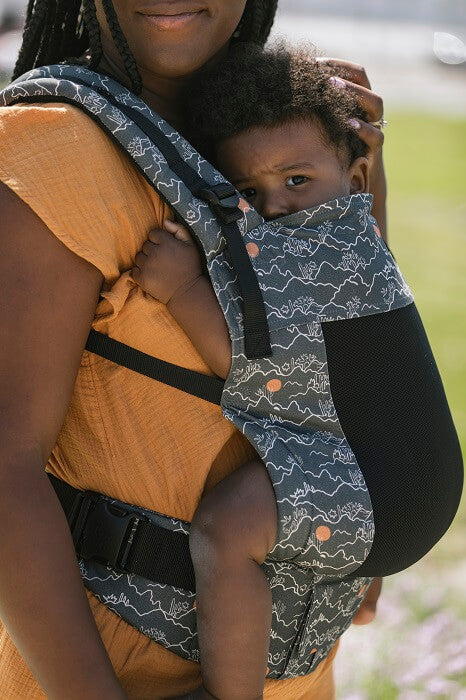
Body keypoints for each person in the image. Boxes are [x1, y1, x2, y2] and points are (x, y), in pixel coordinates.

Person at [0, 1, 403, 698]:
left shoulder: (274, 134)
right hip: (121, 670)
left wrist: (352, 169)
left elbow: (351, 356)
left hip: (296, 667)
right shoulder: (53, 147)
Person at [130, 42, 463, 700]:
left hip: (385, 491)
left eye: (296, 180)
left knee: (228, 528)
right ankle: (352, 586)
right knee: (284, 523)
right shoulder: (355, 233)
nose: (275, 206)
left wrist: (180, 291)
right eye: (249, 191)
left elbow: (260, 363)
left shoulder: (321, 249)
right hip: (405, 480)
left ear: (355, 183)